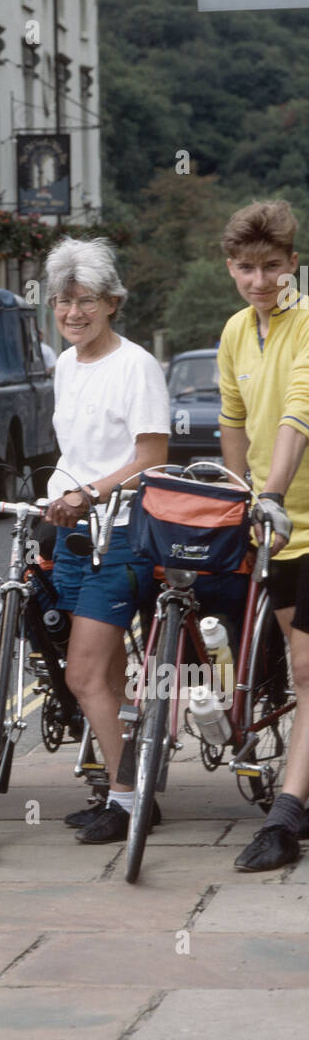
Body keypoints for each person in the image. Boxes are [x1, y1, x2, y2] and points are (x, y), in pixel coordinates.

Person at [43, 237, 170, 843]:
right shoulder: (66, 364)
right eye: (63, 302)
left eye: (86, 301)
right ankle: (130, 791)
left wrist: (90, 492)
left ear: (112, 302)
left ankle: (127, 799)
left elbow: (151, 459)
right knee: (108, 676)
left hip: (123, 534)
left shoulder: (136, 366)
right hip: (74, 533)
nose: (73, 314)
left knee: (83, 675)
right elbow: (78, 450)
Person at [218, 199, 309, 872]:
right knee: (291, 661)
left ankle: (285, 816)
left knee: (306, 667)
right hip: (272, 533)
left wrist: (272, 491)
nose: (259, 281)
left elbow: (296, 417)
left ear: (291, 266)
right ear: (230, 268)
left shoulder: (306, 323)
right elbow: (233, 421)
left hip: (302, 518)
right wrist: (239, 499)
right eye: (246, 268)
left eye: (270, 268)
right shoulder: (231, 334)